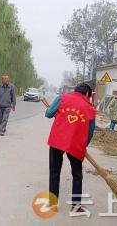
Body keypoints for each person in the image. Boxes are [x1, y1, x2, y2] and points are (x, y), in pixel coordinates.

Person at [45, 83, 97, 213]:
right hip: (75, 144)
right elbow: (90, 133)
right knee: (77, 174)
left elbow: (48, 113)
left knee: (54, 172)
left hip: (57, 140)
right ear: (87, 94)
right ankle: (76, 205)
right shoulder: (90, 109)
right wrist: (83, 147)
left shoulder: (62, 98)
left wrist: (57, 112)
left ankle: (52, 203)